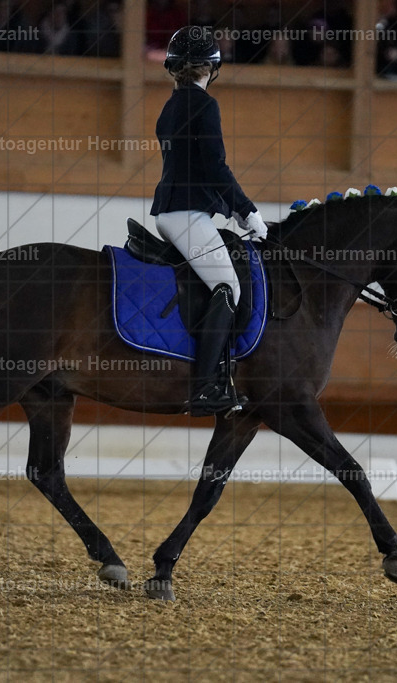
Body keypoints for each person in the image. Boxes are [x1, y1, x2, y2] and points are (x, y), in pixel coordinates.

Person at [150, 26, 268, 416]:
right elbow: (215, 167)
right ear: (211, 69)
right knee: (226, 286)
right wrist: (248, 210)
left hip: (173, 210)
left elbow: (195, 168)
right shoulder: (205, 105)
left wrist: (231, 209)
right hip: (185, 214)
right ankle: (203, 387)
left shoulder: (170, 105)